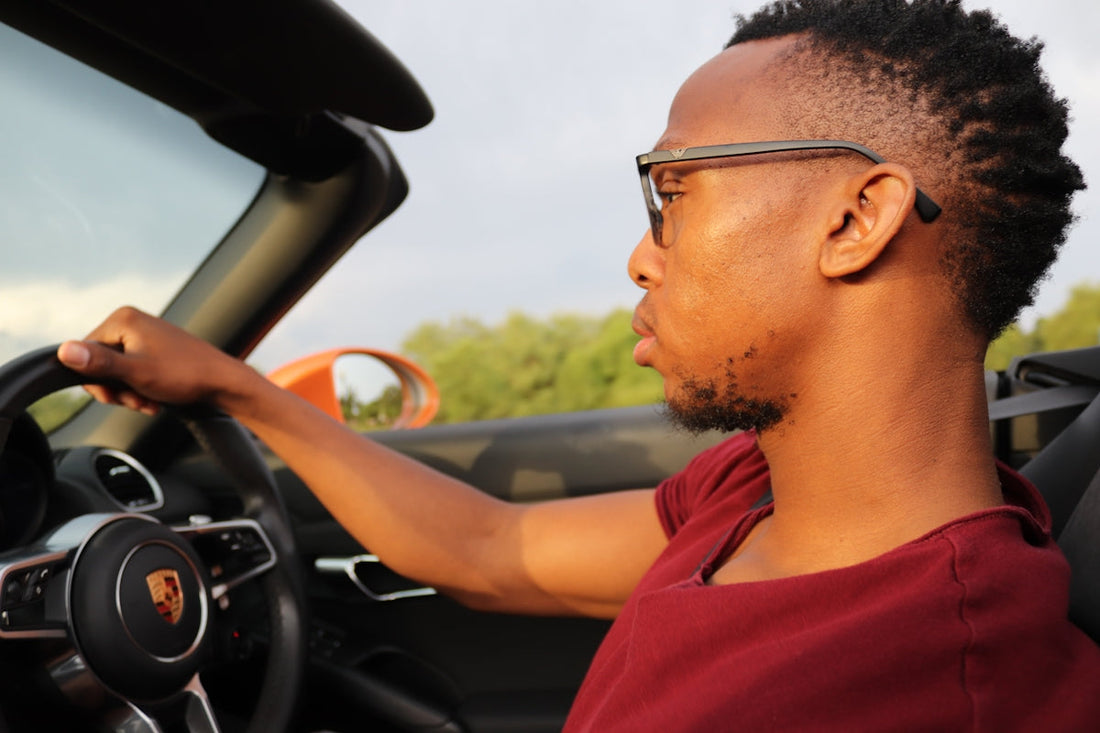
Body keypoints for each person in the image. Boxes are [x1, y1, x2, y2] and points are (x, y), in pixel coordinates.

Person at [57, 0, 1100, 729]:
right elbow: (495, 548)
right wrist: (235, 387)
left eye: (672, 192)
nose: (641, 254)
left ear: (855, 219)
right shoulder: (756, 489)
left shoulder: (943, 692)